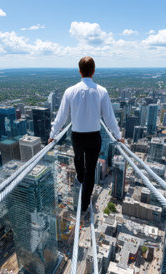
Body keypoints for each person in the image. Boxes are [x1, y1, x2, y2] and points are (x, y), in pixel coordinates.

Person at [48, 56, 124, 214]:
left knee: (78, 159)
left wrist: (52, 134)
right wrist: (118, 136)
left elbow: (61, 116)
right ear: (94, 71)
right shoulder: (102, 91)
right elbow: (109, 117)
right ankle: (84, 205)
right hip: (94, 136)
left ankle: (80, 177)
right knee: (90, 170)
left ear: (79, 71)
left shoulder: (70, 91)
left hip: (77, 135)